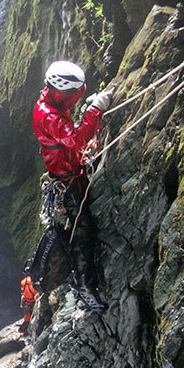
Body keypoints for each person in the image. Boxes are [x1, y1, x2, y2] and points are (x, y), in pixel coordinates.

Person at [25, 60, 113, 311]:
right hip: (68, 181)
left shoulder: (49, 104)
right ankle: (85, 286)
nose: (75, 98)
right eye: (73, 95)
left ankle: (84, 282)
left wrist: (89, 109)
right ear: (61, 92)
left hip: (67, 172)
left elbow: (67, 134)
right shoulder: (49, 116)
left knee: (79, 229)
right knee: (82, 234)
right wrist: (94, 110)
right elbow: (75, 139)